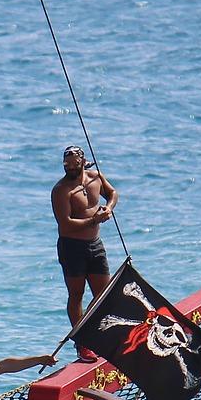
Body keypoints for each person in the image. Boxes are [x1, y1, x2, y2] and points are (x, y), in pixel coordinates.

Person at [51, 146, 120, 354]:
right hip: (72, 247)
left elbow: (112, 193)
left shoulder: (95, 177)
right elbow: (65, 224)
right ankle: (82, 342)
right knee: (76, 293)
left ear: (83, 161)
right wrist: (94, 220)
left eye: (74, 163)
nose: (70, 167)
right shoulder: (61, 190)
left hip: (95, 244)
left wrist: (108, 208)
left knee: (103, 294)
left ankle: (90, 332)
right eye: (66, 164)